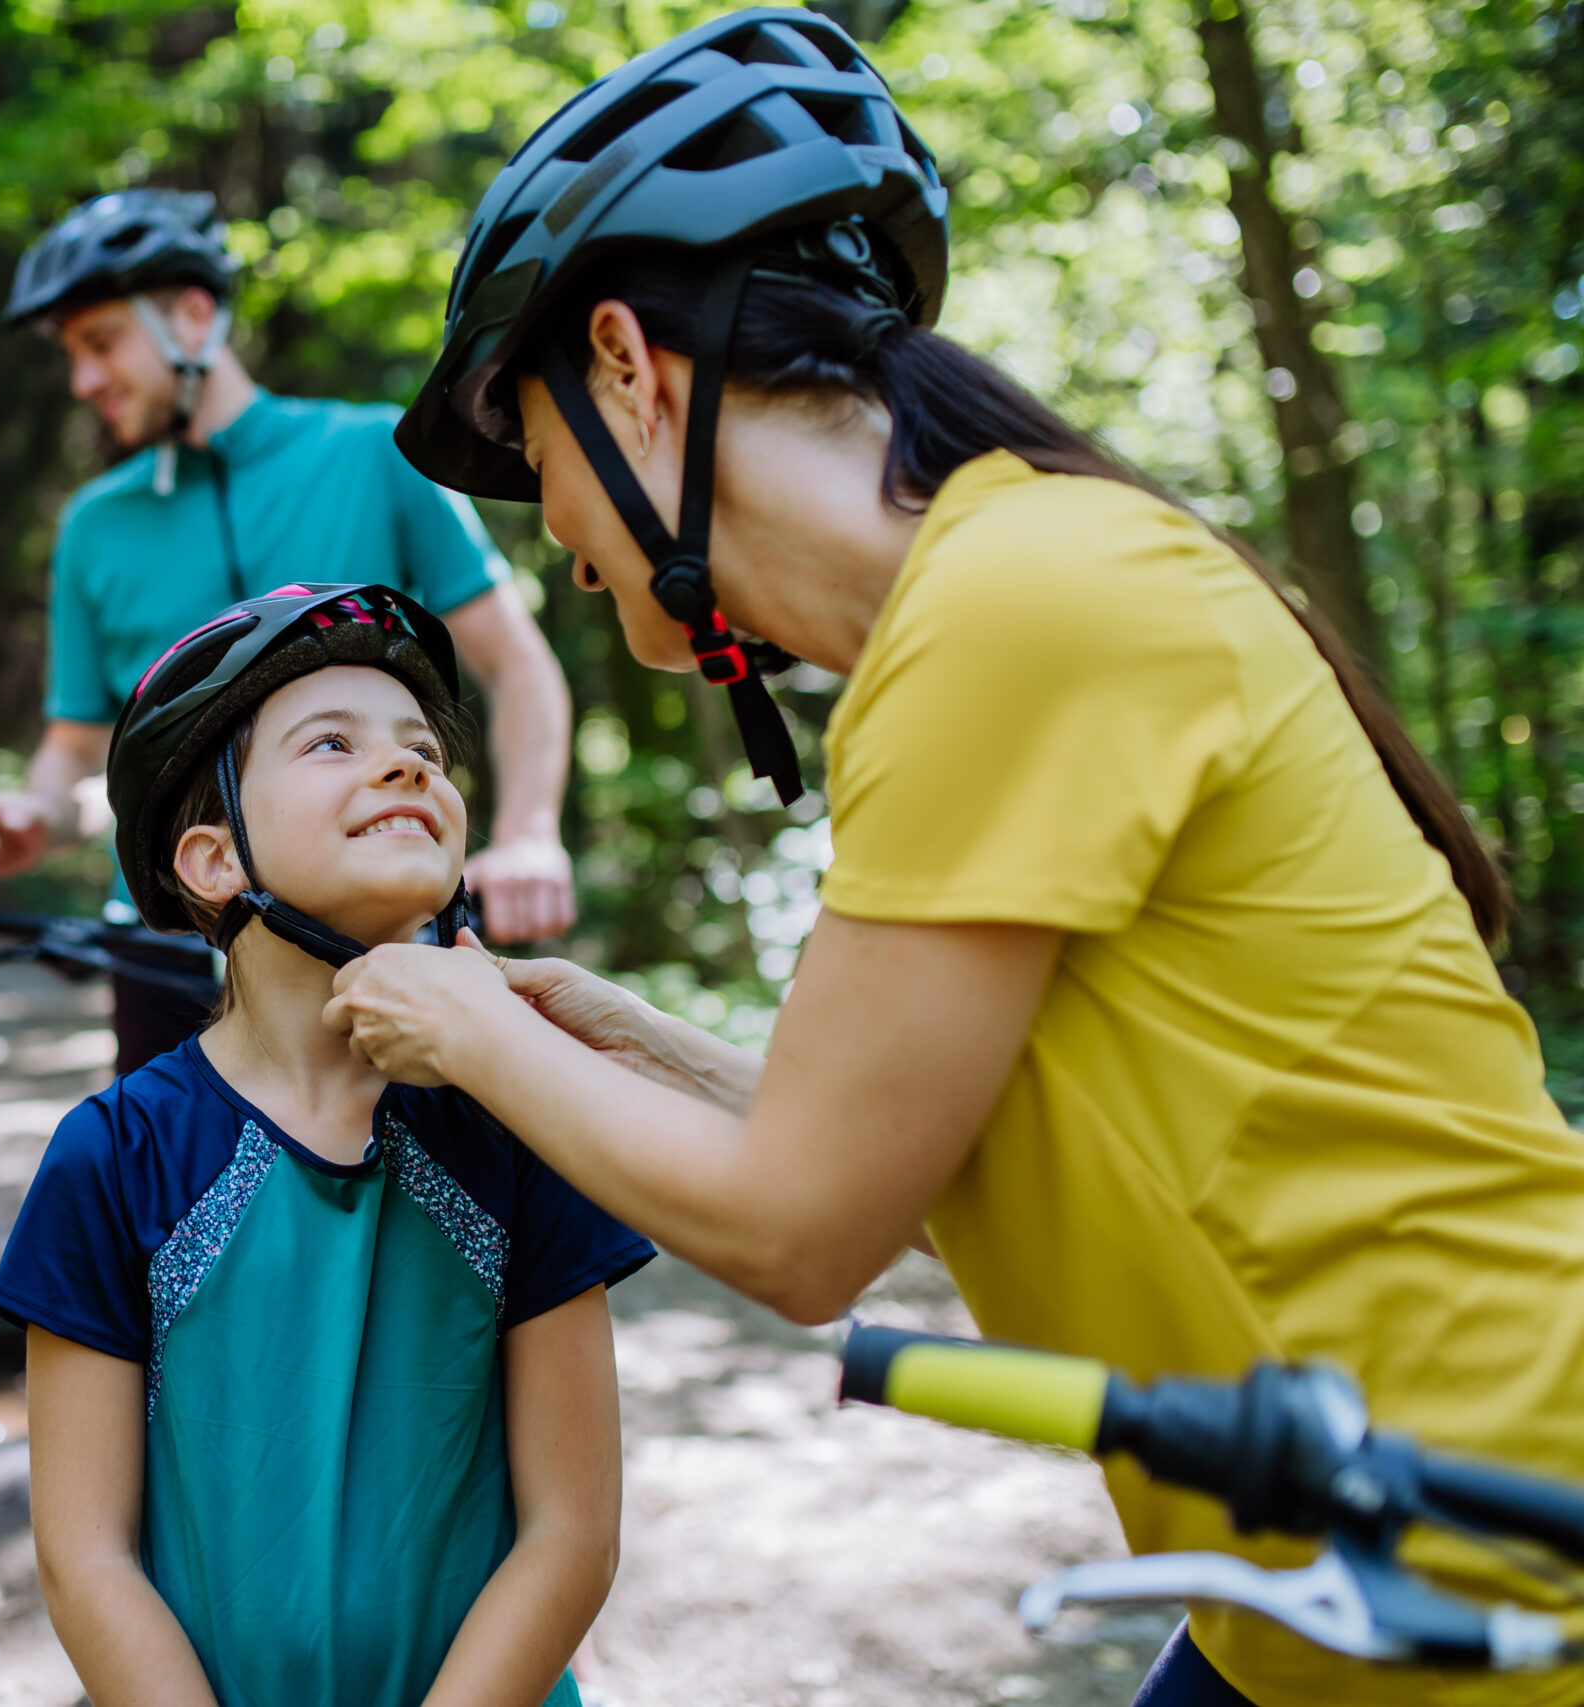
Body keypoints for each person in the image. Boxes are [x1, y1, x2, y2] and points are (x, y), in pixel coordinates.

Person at [323, 11, 1584, 1707]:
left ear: (628, 367)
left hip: (1491, 1554)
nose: (554, 543)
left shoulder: (1015, 609)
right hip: (1312, 1580)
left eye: (538, 465)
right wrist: (621, 1041)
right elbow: (910, 1174)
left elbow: (806, 1237)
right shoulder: (993, 605)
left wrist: (462, 1027)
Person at [0, 584, 653, 1707]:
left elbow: (572, 1533)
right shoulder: (115, 1155)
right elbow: (84, 1557)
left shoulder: (522, 1116)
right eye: (331, 743)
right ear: (212, 861)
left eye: (423, 749)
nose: (407, 769)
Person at [0, 188, 582, 1077]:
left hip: (389, 937)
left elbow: (519, 668)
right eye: (72, 355)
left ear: (194, 318)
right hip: (170, 954)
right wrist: (33, 813)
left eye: (100, 343)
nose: (84, 380)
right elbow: (79, 754)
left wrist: (529, 832)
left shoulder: (376, 455)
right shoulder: (94, 527)